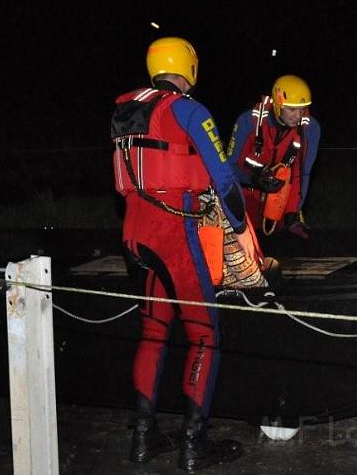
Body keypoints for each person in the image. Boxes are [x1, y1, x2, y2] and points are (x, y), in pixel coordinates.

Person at [110, 37, 252, 471]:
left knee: (153, 333)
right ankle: (194, 444)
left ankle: (143, 438)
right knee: (205, 334)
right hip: (173, 230)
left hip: (134, 234)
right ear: (187, 67)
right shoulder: (188, 108)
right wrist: (241, 226)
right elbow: (223, 174)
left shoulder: (124, 107)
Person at [227, 75, 320, 239]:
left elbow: (302, 173)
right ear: (278, 105)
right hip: (245, 202)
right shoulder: (249, 121)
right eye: (292, 109)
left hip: (279, 206)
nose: (298, 116)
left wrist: (293, 213)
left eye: (302, 109)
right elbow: (229, 167)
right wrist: (255, 180)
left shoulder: (309, 128)